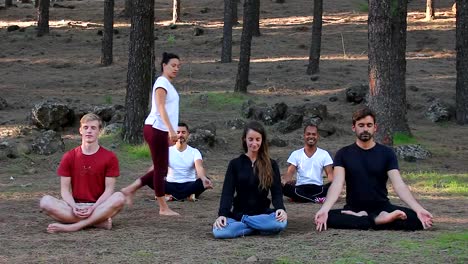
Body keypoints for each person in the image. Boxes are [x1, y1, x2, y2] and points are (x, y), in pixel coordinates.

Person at [314, 107, 433, 231]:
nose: (365, 129)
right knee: (327, 217)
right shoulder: (343, 154)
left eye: (369, 125)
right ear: (354, 127)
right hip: (354, 209)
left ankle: (367, 219)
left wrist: (418, 209)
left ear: (375, 127)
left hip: (383, 207)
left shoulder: (387, 153)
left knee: (417, 220)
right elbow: (337, 184)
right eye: (361, 125)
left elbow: (399, 185)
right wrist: (325, 208)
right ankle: (376, 220)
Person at [39, 113, 125, 233]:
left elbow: (109, 190)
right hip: (75, 207)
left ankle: (73, 226)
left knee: (119, 197)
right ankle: (97, 222)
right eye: (86, 127)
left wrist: (94, 208)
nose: (89, 131)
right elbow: (64, 190)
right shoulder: (69, 156)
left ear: (99, 131)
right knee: (45, 202)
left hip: (99, 206)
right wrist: (74, 206)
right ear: (80, 130)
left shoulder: (110, 157)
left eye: (93, 128)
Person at [121, 52, 181, 216]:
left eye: (178, 66)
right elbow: (160, 107)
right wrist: (170, 130)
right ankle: (163, 207)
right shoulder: (162, 82)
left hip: (161, 130)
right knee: (161, 169)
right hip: (156, 129)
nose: (176, 69)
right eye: (173, 65)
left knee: (161, 168)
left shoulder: (168, 84)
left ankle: (130, 189)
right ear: (164, 66)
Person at [213, 121, 287, 239]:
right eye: (251, 139)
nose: (254, 143)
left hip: (263, 214)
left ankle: (245, 226)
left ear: (262, 140)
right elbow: (227, 193)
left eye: (258, 139)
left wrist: (280, 209)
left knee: (280, 223)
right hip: (239, 214)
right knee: (219, 232)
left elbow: (276, 192)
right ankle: (258, 227)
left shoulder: (271, 164)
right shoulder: (235, 164)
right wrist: (222, 215)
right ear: (244, 139)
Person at [148, 122, 213, 201]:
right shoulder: (167, 151)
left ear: (188, 134)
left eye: (183, 132)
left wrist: (203, 178)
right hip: (170, 184)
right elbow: (156, 167)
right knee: (149, 178)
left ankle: (170, 196)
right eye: (178, 132)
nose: (180, 135)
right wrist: (150, 175)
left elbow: (199, 168)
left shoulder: (195, 152)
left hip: (189, 184)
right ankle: (188, 196)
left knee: (204, 180)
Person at [282, 124, 333, 203]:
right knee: (284, 187)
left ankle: (300, 198)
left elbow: (330, 175)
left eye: (314, 134)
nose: (311, 136)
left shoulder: (324, 154)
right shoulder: (296, 154)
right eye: (308, 134)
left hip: (318, 188)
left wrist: (335, 184)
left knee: (332, 186)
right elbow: (289, 174)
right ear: (304, 135)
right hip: (300, 188)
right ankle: (315, 199)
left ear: (317, 136)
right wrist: (284, 183)